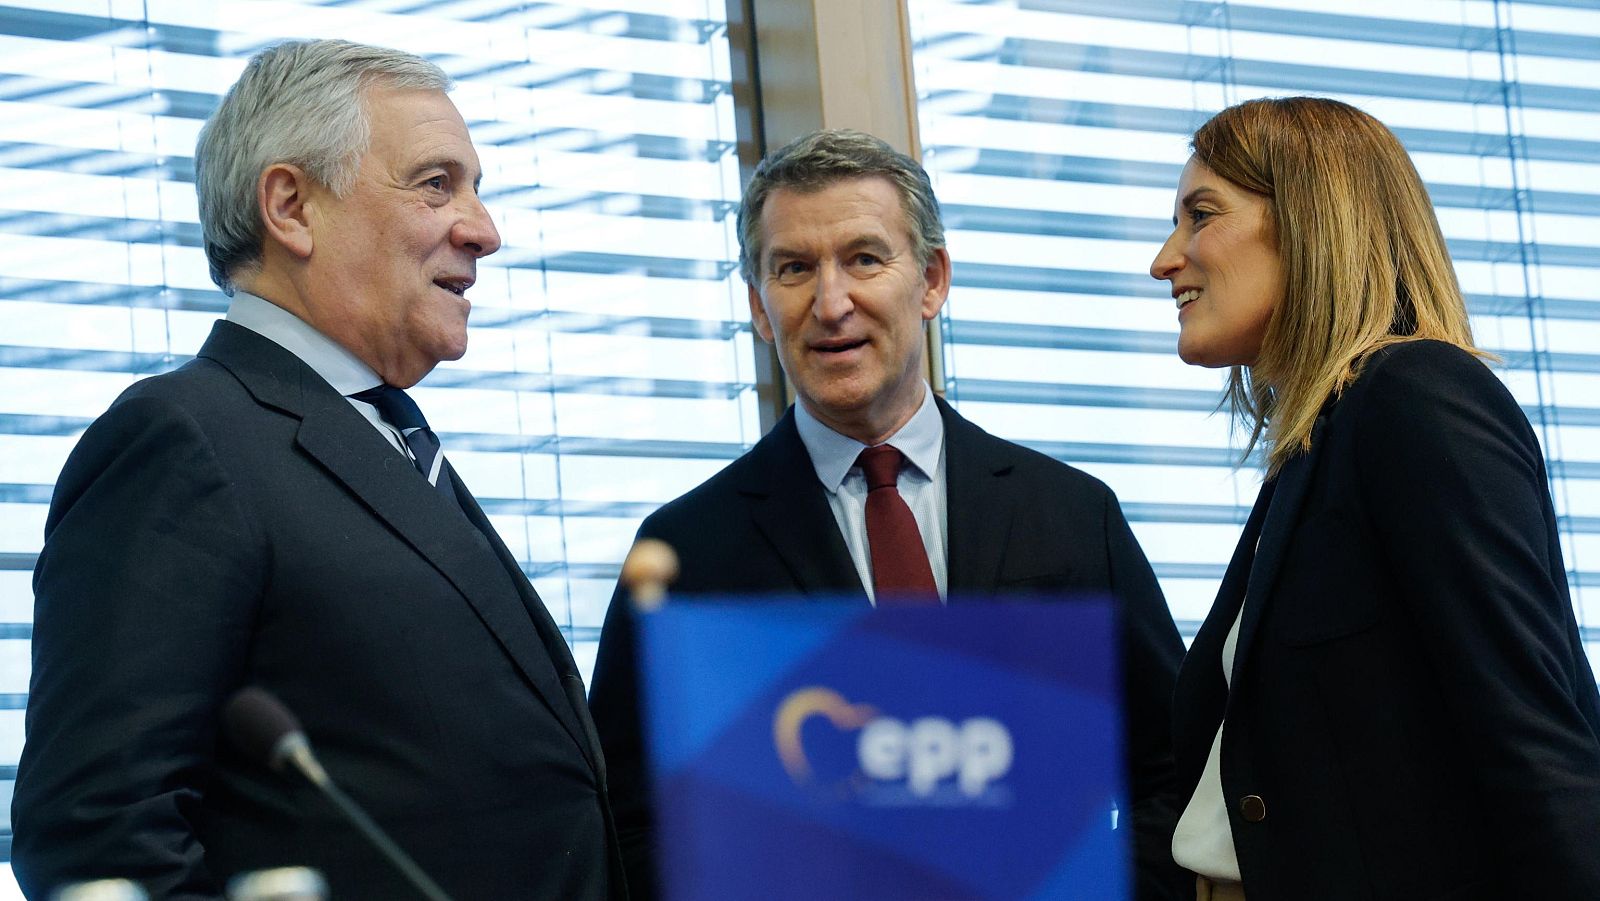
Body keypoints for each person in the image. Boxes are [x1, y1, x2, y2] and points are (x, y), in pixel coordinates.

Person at [14, 40, 622, 899]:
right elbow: (96, 837)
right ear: (291, 206)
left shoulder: (388, 435)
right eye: (436, 183)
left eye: (476, 188)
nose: (484, 230)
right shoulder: (181, 439)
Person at [588, 129, 1189, 901]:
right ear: (760, 309)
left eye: (864, 258)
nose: (831, 302)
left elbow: (1177, 771)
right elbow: (632, 826)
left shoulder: (1070, 514)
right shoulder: (686, 549)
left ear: (932, 280)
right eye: (794, 268)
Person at [1150, 96, 1600, 901]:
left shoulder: (1415, 397)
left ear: (1311, 220)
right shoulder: (1315, 449)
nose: (1164, 259)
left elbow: (1529, 736)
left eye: (1200, 215)